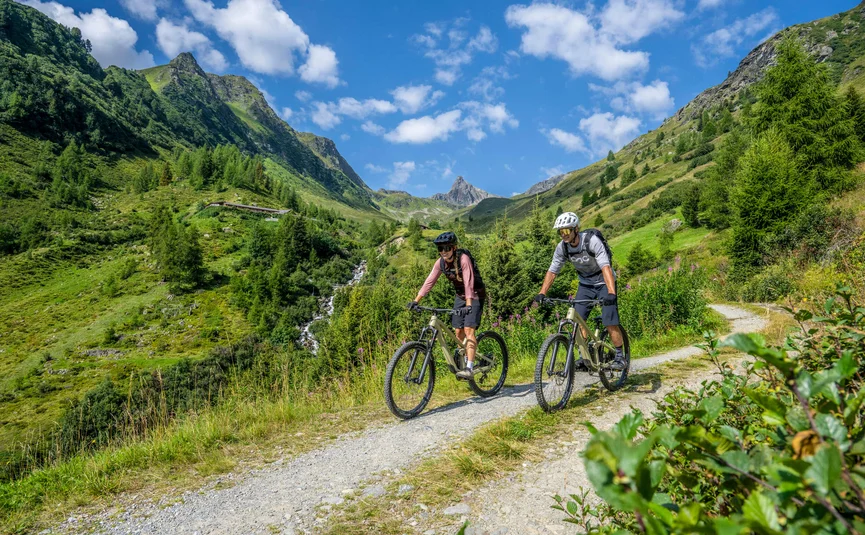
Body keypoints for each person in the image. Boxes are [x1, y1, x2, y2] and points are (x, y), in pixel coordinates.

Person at [533, 212, 627, 371]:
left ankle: (620, 356)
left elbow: (606, 267)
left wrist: (611, 292)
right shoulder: (562, 247)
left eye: (567, 231)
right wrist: (542, 293)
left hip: (604, 281)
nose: (564, 235)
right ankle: (584, 357)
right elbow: (552, 271)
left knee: (609, 320)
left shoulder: (592, 241)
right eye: (560, 232)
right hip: (585, 284)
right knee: (577, 319)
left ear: (576, 229)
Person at [409, 231, 486, 379]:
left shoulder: (463, 259)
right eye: (440, 249)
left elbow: (469, 282)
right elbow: (429, 281)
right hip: (460, 296)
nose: (443, 252)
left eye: (447, 248)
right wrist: (416, 300)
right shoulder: (441, 263)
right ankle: (463, 364)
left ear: (454, 248)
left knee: (469, 330)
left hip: (474, 295)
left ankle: (469, 368)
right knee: (457, 333)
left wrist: (469, 305)